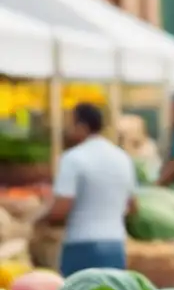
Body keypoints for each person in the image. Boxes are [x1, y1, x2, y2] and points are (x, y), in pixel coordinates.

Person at [43, 103, 136, 276]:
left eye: (70, 124)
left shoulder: (73, 158)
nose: (67, 130)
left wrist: (39, 221)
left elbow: (61, 209)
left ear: (82, 126)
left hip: (82, 247)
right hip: (116, 246)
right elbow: (133, 206)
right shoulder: (123, 158)